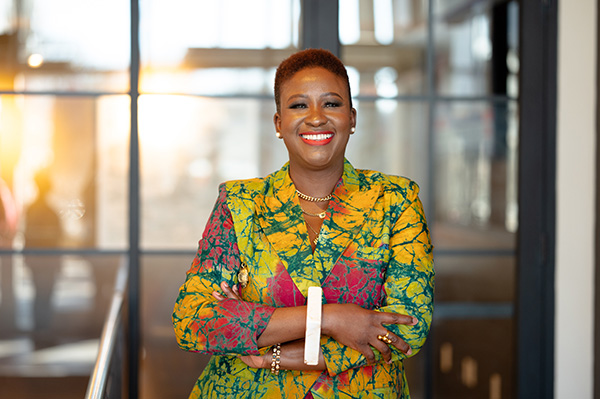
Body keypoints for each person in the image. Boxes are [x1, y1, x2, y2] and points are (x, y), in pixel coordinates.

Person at [173, 48, 434, 399]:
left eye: (331, 104)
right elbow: (194, 320)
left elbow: (407, 328)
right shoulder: (240, 202)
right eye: (298, 105)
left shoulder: (396, 200)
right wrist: (331, 318)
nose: (315, 118)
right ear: (279, 123)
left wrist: (274, 353)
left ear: (352, 118)